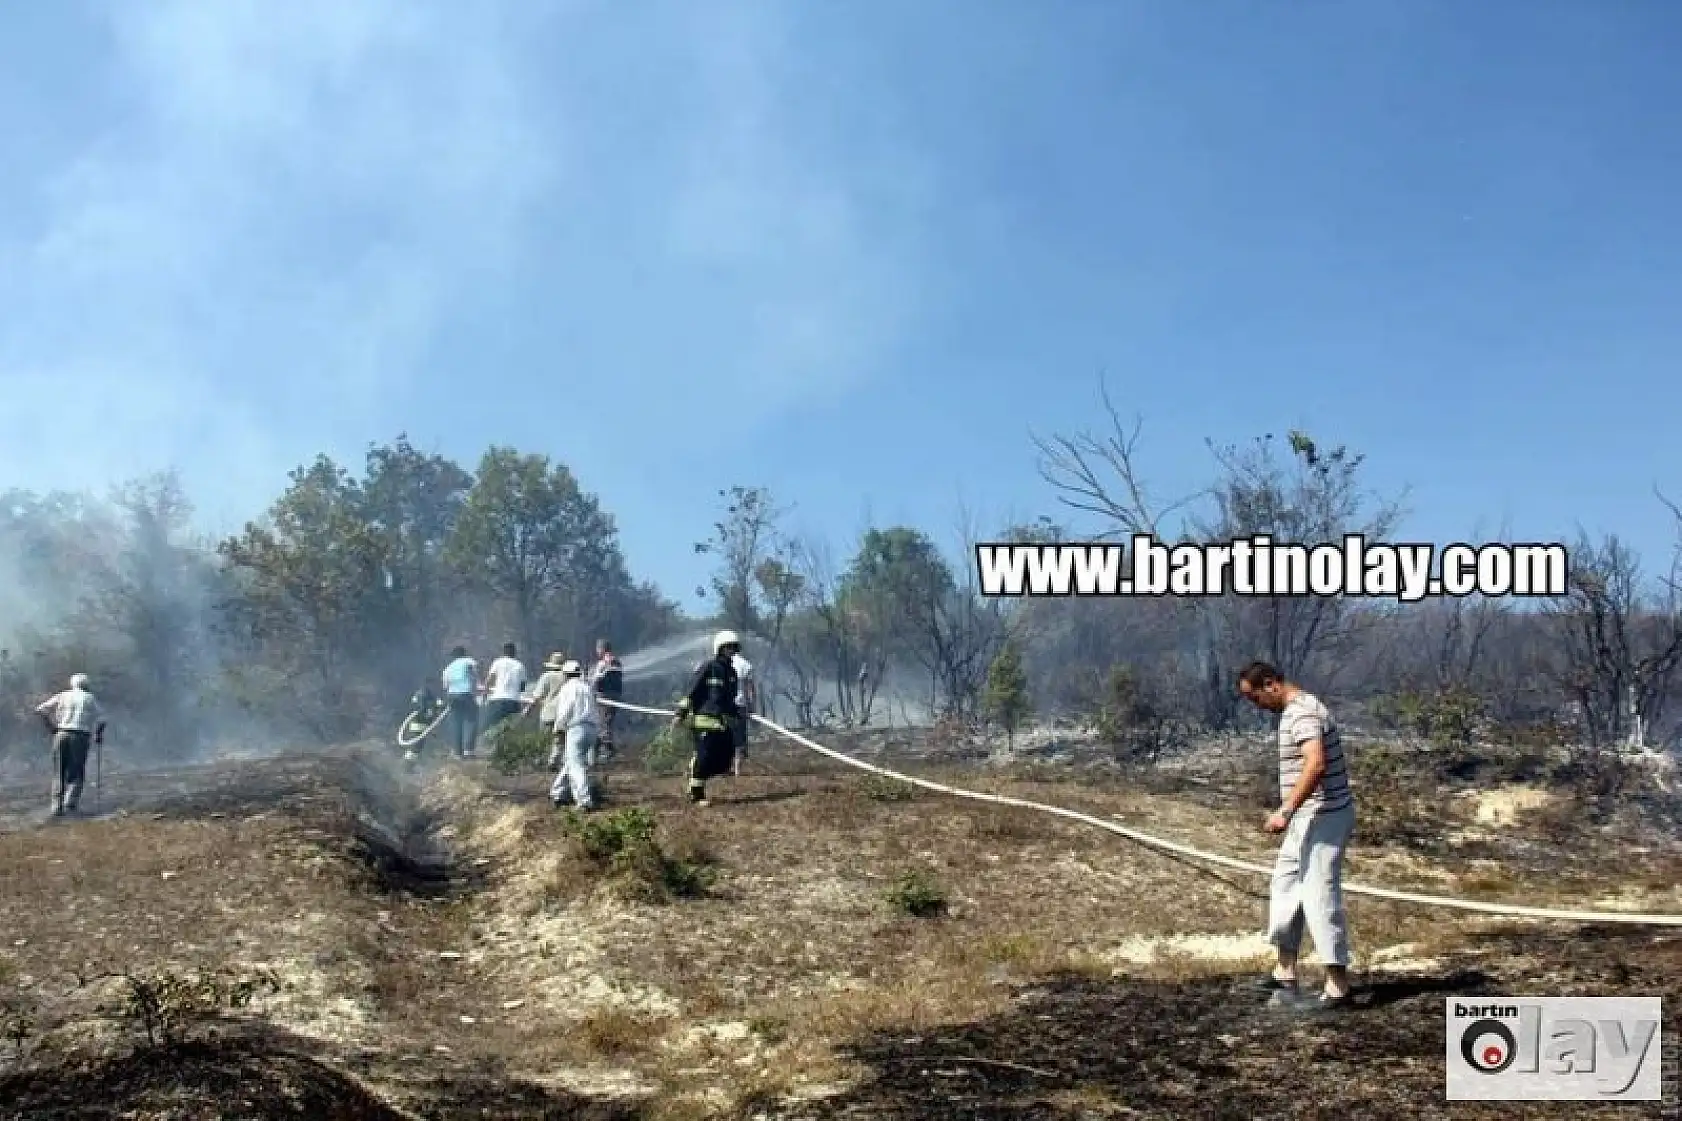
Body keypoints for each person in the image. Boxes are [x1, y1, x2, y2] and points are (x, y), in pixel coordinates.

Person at [1237, 660, 1356, 1012]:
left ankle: (1338, 986)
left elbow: (1315, 764)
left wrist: (1285, 810)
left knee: (1319, 894)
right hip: (1306, 818)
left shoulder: (1302, 713)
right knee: (1286, 886)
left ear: (1271, 684)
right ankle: (1285, 970)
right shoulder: (1293, 712)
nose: (1257, 706)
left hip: (1326, 817)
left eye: (1255, 697)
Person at [672, 630, 742, 806]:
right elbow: (692, 691)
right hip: (704, 720)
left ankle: (695, 769)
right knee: (705, 757)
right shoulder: (708, 667)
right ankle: (696, 794)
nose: (731, 651)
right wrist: (681, 713)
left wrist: (737, 712)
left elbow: (729, 699)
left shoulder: (732, 673)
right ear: (719, 648)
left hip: (721, 722)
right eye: (727, 647)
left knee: (725, 757)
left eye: (733, 648)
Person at [35, 673, 106, 817]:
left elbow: (40, 709)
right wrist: (98, 734)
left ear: (72, 684)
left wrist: (51, 727)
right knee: (76, 770)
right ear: (86, 685)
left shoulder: (63, 695)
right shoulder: (89, 698)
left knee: (59, 771)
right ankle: (70, 803)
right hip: (80, 736)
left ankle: (56, 806)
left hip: (61, 734)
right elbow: (102, 719)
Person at [548, 659, 600, 811]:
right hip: (591, 729)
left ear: (566, 674)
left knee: (576, 765)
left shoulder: (567, 688)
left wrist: (558, 727)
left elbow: (566, 709)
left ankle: (584, 801)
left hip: (576, 728)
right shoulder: (587, 687)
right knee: (572, 761)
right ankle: (558, 792)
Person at [480, 642, 528, 739]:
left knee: (490, 725)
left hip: (498, 699)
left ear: (503, 652)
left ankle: (487, 745)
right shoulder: (520, 665)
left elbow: (490, 679)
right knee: (511, 727)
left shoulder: (498, 662)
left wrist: (485, 694)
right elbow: (522, 687)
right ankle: (505, 747)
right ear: (515, 652)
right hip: (513, 700)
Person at [441, 645, 480, 758]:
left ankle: (457, 752)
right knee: (471, 721)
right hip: (466, 694)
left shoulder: (448, 668)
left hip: (452, 696)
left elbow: (445, 686)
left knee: (456, 724)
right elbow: (475, 675)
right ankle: (468, 750)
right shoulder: (469, 661)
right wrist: (477, 688)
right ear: (464, 653)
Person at [589, 639, 624, 763]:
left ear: (602, 649)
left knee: (603, 723)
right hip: (615, 696)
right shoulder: (617, 662)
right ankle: (600, 749)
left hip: (604, 697)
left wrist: (590, 684)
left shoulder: (603, 663)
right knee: (606, 722)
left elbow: (597, 680)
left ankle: (607, 751)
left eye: (598, 649)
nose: (597, 651)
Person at [528, 652, 570, 742]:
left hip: (548, 715)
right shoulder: (568, 678)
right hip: (564, 716)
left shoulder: (547, 676)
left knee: (545, 744)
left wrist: (528, 709)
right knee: (560, 746)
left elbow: (537, 696)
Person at [729, 642, 756, 774]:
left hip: (723, 706)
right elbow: (750, 688)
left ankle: (727, 767)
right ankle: (737, 770)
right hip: (739, 706)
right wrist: (751, 707)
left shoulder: (718, 664)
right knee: (739, 738)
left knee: (726, 736)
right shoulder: (745, 665)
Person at [402, 683, 446, 763]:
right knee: (416, 746)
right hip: (419, 724)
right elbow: (424, 710)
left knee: (417, 745)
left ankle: (410, 762)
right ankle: (408, 762)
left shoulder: (420, 695)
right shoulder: (425, 696)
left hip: (420, 724)